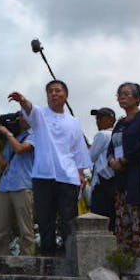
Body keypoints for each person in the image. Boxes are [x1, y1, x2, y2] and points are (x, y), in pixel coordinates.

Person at [8, 81, 91, 255]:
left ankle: (70, 256)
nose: (53, 94)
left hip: (68, 176)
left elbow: (78, 149)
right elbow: (30, 109)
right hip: (43, 175)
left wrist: (80, 173)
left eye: (57, 91)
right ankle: (48, 259)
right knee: (45, 220)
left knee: (68, 220)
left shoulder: (74, 122)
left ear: (65, 96)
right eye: (50, 91)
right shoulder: (40, 115)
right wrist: (22, 100)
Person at [107, 82, 140, 256]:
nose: (122, 97)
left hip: (138, 174)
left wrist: (125, 160)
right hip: (120, 178)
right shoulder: (119, 123)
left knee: (138, 215)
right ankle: (125, 256)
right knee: (122, 218)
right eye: (120, 94)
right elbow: (111, 147)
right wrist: (112, 160)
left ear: (137, 98)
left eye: (127, 94)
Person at [0, 112, 35, 256]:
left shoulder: (35, 135)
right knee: (0, 228)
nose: (21, 119)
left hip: (23, 184)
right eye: (20, 116)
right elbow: (2, 164)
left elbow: (21, 150)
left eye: (25, 115)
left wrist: (7, 133)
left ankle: (27, 260)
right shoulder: (13, 138)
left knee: (26, 228)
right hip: (5, 185)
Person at [88, 107, 117, 231]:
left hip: (102, 184)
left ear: (112, 119)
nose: (98, 121)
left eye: (101, 117)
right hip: (114, 181)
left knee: (100, 223)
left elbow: (90, 157)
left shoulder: (102, 134)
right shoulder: (118, 134)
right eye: (97, 118)